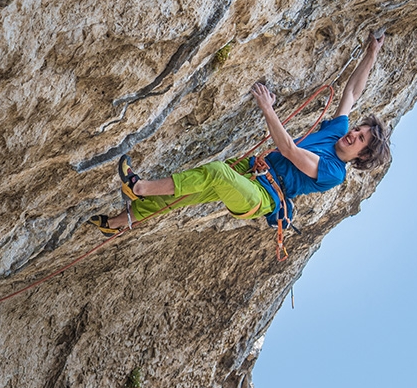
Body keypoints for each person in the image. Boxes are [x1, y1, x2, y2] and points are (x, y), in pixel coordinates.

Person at [89, 31, 392, 235]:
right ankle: (120, 221)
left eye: (360, 139)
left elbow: (289, 151)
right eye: (357, 130)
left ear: (362, 155)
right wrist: (372, 53)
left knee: (219, 173)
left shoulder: (334, 172)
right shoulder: (338, 131)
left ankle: (139, 188)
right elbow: (353, 91)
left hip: (262, 195)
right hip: (254, 170)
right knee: (189, 192)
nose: (352, 134)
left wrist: (267, 108)